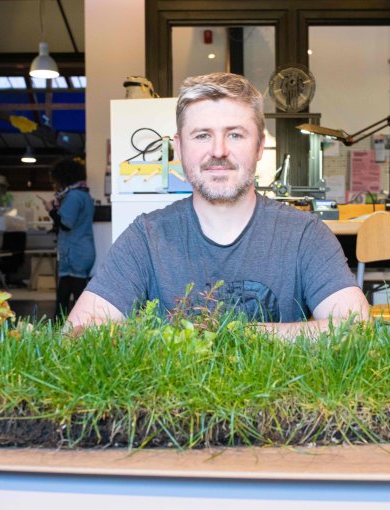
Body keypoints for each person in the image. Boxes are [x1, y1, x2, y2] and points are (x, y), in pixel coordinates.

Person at [68, 72, 369, 337]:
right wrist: (173, 342)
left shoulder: (305, 234)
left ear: (260, 146)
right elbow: (78, 331)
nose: (218, 151)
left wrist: (238, 336)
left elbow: (354, 327)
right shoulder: (146, 237)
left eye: (235, 134)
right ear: (180, 146)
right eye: (202, 135)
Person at [41, 156, 96, 319]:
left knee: (65, 300)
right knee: (75, 296)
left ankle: (63, 332)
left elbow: (66, 223)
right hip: (83, 251)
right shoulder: (85, 195)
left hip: (75, 254)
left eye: (55, 180)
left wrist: (50, 209)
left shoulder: (73, 196)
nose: (55, 184)